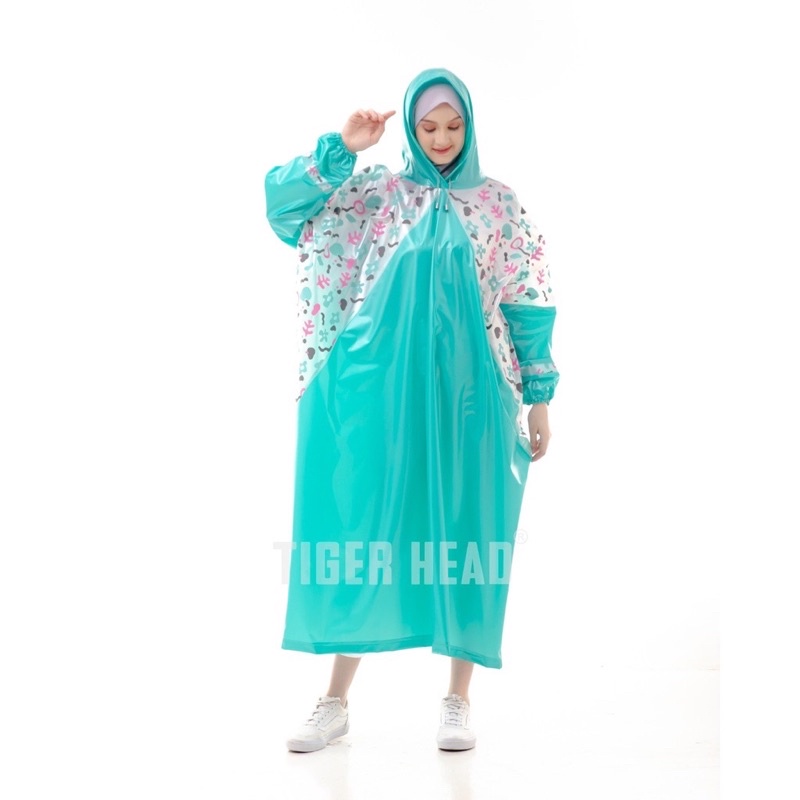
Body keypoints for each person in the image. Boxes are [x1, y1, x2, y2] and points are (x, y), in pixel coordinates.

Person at [264, 67, 560, 753]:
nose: (443, 138)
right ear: (411, 127)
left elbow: (526, 297)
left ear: (471, 126)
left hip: (473, 396)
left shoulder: (498, 205)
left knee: (467, 531)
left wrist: (539, 397)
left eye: (454, 125)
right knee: (361, 529)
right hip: (380, 394)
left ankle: (457, 699)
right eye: (429, 127)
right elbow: (286, 211)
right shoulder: (378, 195)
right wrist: (342, 148)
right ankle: (335, 701)